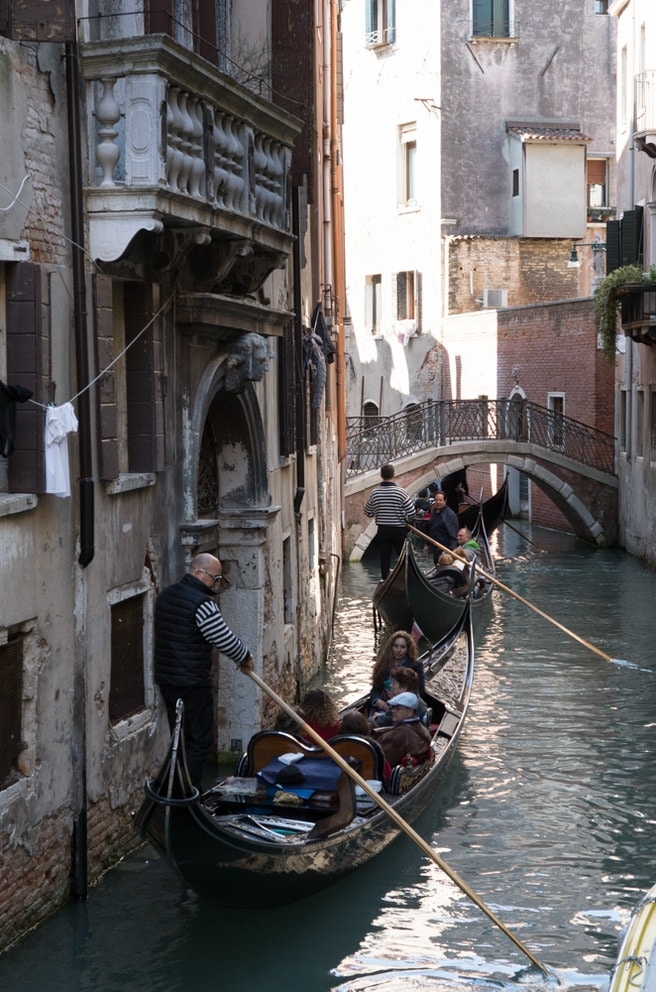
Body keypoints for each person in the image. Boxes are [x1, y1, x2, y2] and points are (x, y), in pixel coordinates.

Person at [154, 553, 253, 789]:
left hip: (168, 682)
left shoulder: (166, 596)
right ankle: (187, 796)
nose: (216, 584)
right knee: (200, 743)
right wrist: (245, 657)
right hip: (193, 684)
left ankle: (171, 792)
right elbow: (224, 639)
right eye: (214, 578)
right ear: (198, 573)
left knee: (180, 740)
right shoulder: (202, 604)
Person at [364, 463, 415, 579]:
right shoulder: (401, 492)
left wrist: (378, 512)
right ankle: (409, 577)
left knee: (384, 557)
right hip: (399, 529)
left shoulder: (374, 493)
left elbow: (368, 512)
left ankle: (385, 578)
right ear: (393, 475)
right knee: (404, 556)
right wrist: (403, 517)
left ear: (381, 475)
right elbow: (411, 513)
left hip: (383, 529)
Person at [370, 629, 425, 717]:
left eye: (402, 647)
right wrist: (377, 701)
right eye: (396, 646)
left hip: (404, 707)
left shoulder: (416, 666)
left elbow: (420, 692)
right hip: (383, 705)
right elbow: (375, 690)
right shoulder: (383, 665)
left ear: (408, 649)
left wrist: (398, 695)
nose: (398, 650)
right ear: (391, 647)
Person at [374, 692, 432, 768]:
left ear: (410, 712)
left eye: (398, 708)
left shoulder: (399, 735)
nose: (393, 711)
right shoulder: (422, 728)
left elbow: (379, 759)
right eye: (393, 707)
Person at [427, 490, 459, 564]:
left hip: (445, 551)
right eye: (436, 500)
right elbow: (431, 529)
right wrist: (427, 544)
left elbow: (454, 536)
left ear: (445, 501)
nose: (438, 502)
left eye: (440, 500)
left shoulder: (450, 515)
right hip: (435, 549)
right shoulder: (434, 512)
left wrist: (449, 552)